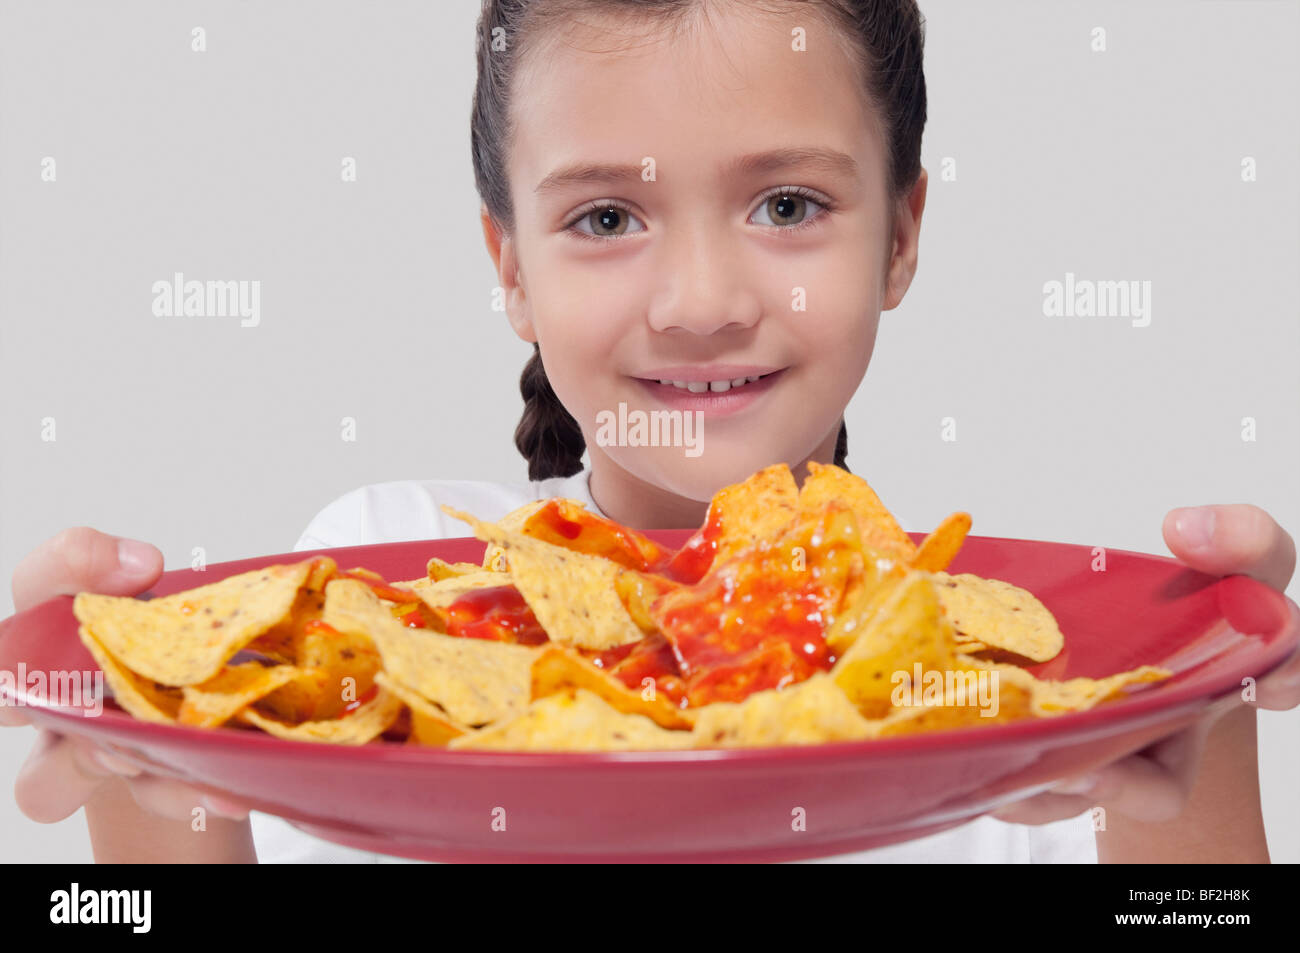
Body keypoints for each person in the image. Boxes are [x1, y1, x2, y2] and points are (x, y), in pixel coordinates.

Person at [6, 0, 1296, 863]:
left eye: (787, 203)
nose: (699, 305)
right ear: (509, 267)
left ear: (901, 237)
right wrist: (125, 754)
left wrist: (1201, 693)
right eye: (606, 220)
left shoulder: (1012, 702)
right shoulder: (357, 602)